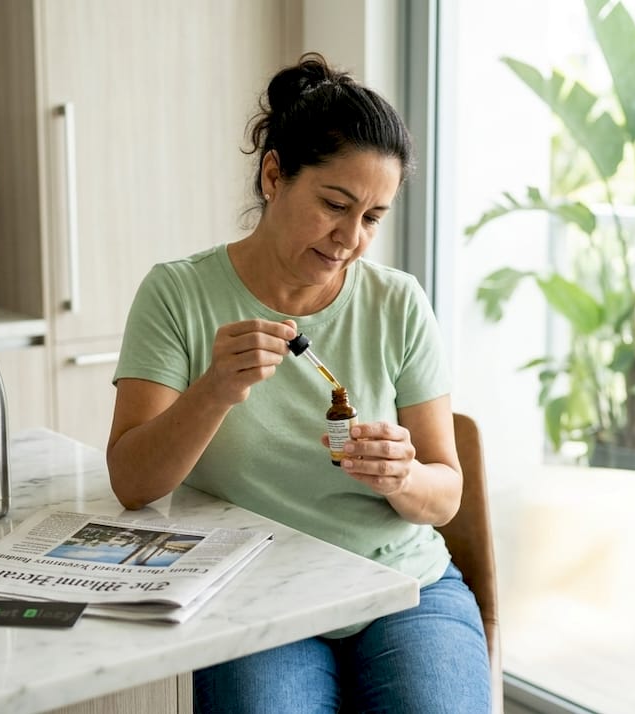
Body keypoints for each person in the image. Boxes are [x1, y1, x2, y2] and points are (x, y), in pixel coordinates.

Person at [107, 52, 491, 713]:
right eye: (334, 205)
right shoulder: (177, 294)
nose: (350, 238)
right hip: (253, 595)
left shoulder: (398, 303)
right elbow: (132, 483)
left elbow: (446, 493)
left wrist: (403, 478)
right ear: (275, 174)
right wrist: (213, 392)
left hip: (403, 589)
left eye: (372, 217)